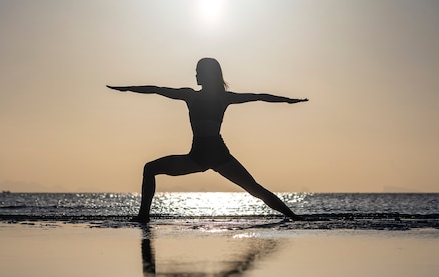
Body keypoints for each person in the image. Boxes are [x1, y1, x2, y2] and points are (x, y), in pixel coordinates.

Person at [107, 57, 308, 222]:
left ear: (207, 74)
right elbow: (156, 89)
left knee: (254, 188)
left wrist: (289, 101)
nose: (195, 74)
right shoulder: (192, 96)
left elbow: (259, 96)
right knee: (149, 168)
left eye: (198, 71)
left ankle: (294, 217)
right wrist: (126, 88)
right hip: (199, 155)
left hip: (216, 153)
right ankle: (143, 217)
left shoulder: (219, 97)